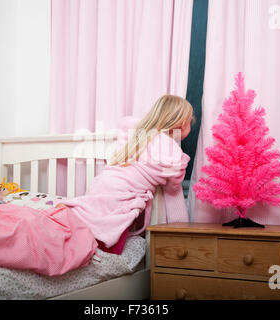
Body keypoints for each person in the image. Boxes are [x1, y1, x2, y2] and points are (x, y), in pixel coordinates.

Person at [54, 94, 195, 254]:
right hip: (123, 194)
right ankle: (86, 244)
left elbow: (125, 122)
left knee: (92, 210)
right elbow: (173, 187)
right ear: (184, 124)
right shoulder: (173, 154)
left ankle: (66, 221)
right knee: (111, 230)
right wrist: (182, 228)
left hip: (104, 181)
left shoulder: (137, 136)